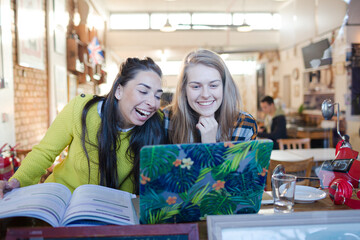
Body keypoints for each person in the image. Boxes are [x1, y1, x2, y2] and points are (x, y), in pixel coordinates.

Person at [0, 57, 165, 198]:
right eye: (143, 91)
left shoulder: (156, 123)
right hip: (61, 200)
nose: (152, 103)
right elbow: (44, 153)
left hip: (111, 210)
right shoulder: (81, 109)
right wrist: (16, 181)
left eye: (158, 95)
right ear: (119, 91)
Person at [163, 49, 257, 144]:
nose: (205, 95)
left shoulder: (244, 123)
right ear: (184, 90)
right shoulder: (166, 118)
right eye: (196, 86)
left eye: (213, 85)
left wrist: (210, 143)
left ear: (224, 88)